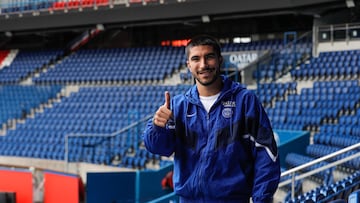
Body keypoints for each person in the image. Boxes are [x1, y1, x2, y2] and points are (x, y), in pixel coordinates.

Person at [142, 34, 280, 203]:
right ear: (188, 65)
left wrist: (262, 199)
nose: (203, 65)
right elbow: (159, 148)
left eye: (209, 57)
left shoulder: (244, 101)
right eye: (196, 59)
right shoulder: (177, 106)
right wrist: (158, 127)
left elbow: (266, 153)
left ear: (220, 60)